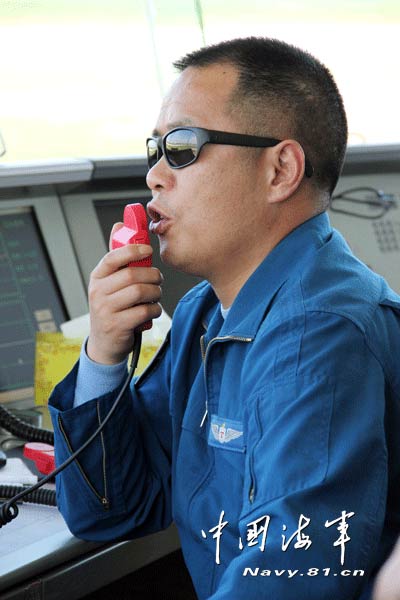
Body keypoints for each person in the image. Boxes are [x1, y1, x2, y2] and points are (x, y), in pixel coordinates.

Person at [48, 37, 400, 599]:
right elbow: (114, 511)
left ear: (281, 169)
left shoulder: (321, 333)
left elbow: (288, 580)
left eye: (182, 147)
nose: (155, 177)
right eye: (154, 151)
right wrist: (105, 356)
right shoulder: (207, 315)